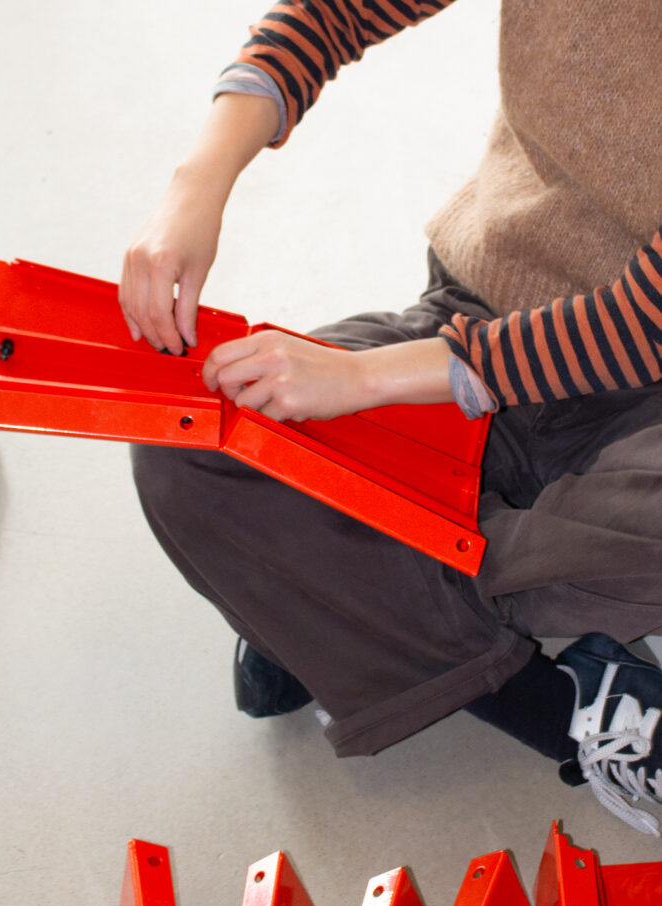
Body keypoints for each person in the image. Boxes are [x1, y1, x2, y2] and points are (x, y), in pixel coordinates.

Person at [120, 0, 662, 834]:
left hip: (636, 381)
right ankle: (504, 660)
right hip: (483, 308)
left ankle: (350, 601)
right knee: (190, 444)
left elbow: (642, 325)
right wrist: (198, 181)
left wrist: (365, 383)